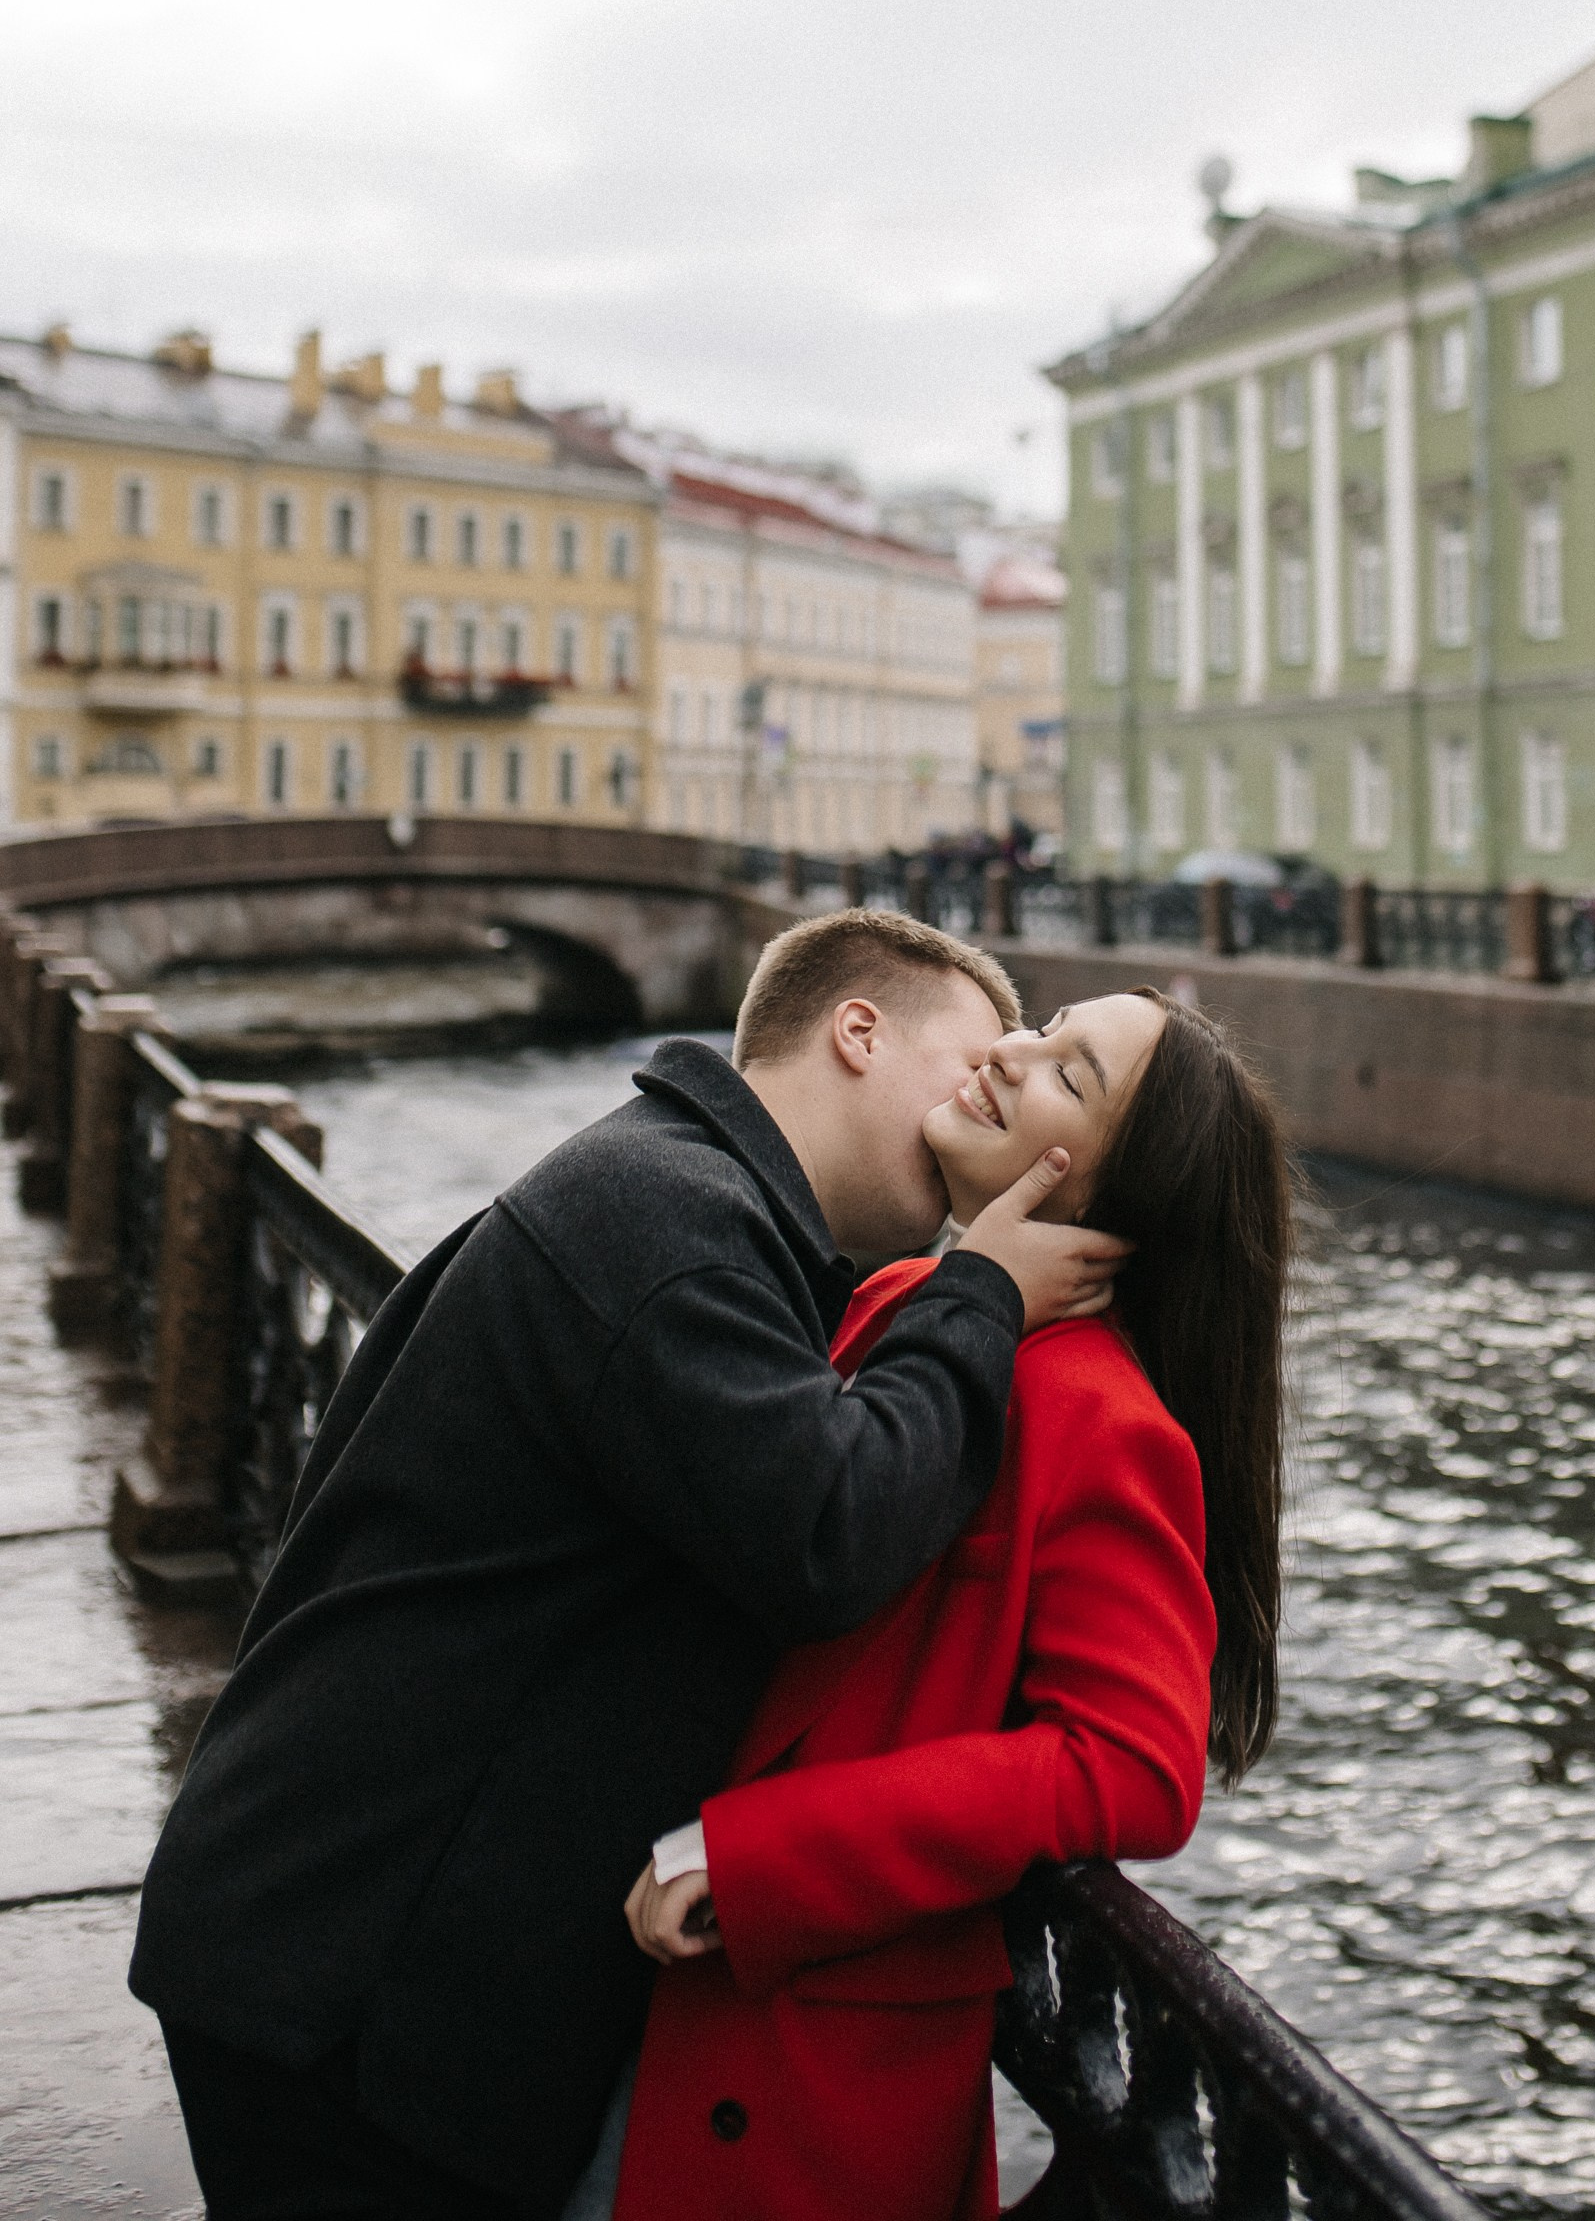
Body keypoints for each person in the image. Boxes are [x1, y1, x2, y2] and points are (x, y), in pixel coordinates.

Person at [131, 909, 1131, 2221]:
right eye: (974, 1060)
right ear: (858, 1030)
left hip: (337, 1929)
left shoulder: (678, 1193)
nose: (982, 1104)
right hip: (348, 1986)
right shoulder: (676, 1227)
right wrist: (982, 1292)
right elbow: (831, 1532)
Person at [590, 986, 1291, 2221]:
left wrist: (764, 1852)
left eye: (1066, 1074)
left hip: (802, 2053)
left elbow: (1135, 1764)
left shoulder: (1101, 1418)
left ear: (1104, 1206)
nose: (1007, 1053)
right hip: (663, 1986)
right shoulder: (909, 1297)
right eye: (1043, 1026)